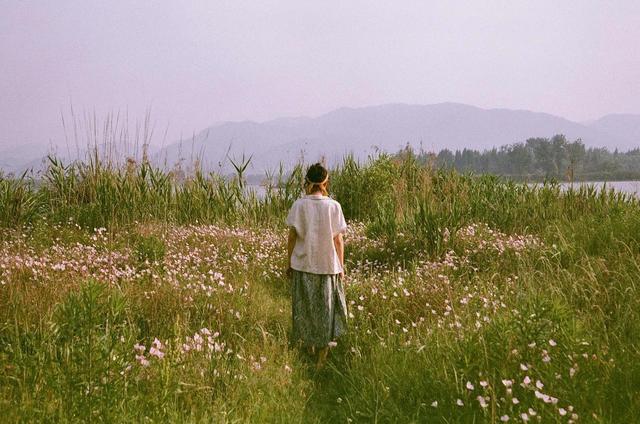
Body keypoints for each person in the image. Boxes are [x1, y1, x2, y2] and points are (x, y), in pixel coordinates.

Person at [285, 162, 348, 369]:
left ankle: (308, 348)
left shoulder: (299, 205)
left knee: (304, 309)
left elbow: (292, 237)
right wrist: (341, 266)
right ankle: (321, 358)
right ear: (325, 182)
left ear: (307, 182)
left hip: (303, 264)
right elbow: (338, 240)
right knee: (326, 311)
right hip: (327, 266)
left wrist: (289, 263)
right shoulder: (333, 206)